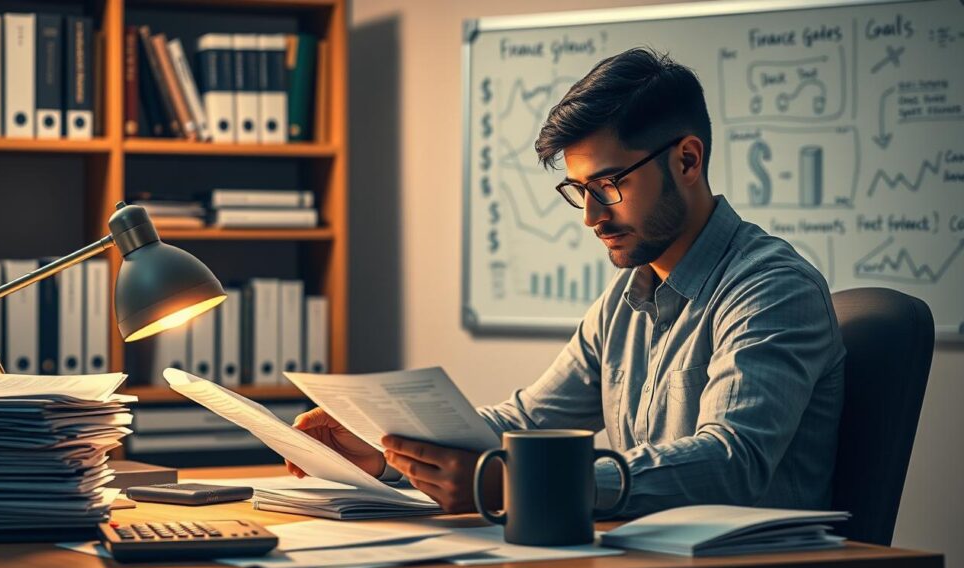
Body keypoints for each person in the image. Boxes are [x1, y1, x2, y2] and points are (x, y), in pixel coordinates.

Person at [287, 47, 846, 517]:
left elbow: (731, 462)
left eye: (608, 184)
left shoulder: (774, 289)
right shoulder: (625, 302)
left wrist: (522, 484)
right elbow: (527, 420)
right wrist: (382, 450)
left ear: (687, 160)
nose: (590, 216)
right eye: (580, 190)